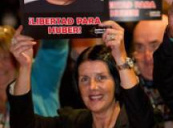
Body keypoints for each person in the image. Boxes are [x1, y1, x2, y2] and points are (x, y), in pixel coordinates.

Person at [8, 21, 155, 128]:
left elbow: (142, 115)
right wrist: (25, 66)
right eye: (84, 79)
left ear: (116, 82)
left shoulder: (134, 120)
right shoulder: (73, 122)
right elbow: (23, 124)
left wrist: (121, 58)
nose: (92, 86)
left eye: (101, 77)